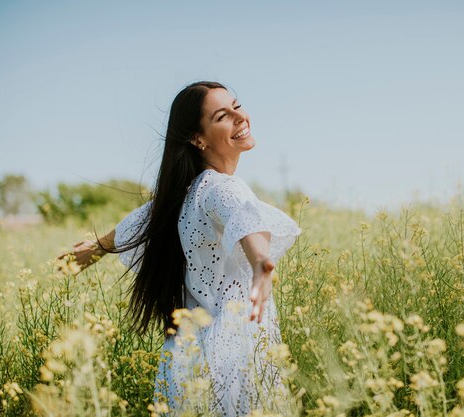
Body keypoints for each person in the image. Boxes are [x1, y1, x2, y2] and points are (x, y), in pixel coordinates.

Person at [58, 81, 302, 416]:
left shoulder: (181, 196)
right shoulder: (221, 188)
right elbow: (245, 220)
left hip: (185, 360)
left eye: (236, 105)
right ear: (198, 139)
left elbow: (136, 222)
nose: (239, 117)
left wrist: (96, 248)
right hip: (232, 358)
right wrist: (261, 261)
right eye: (222, 116)